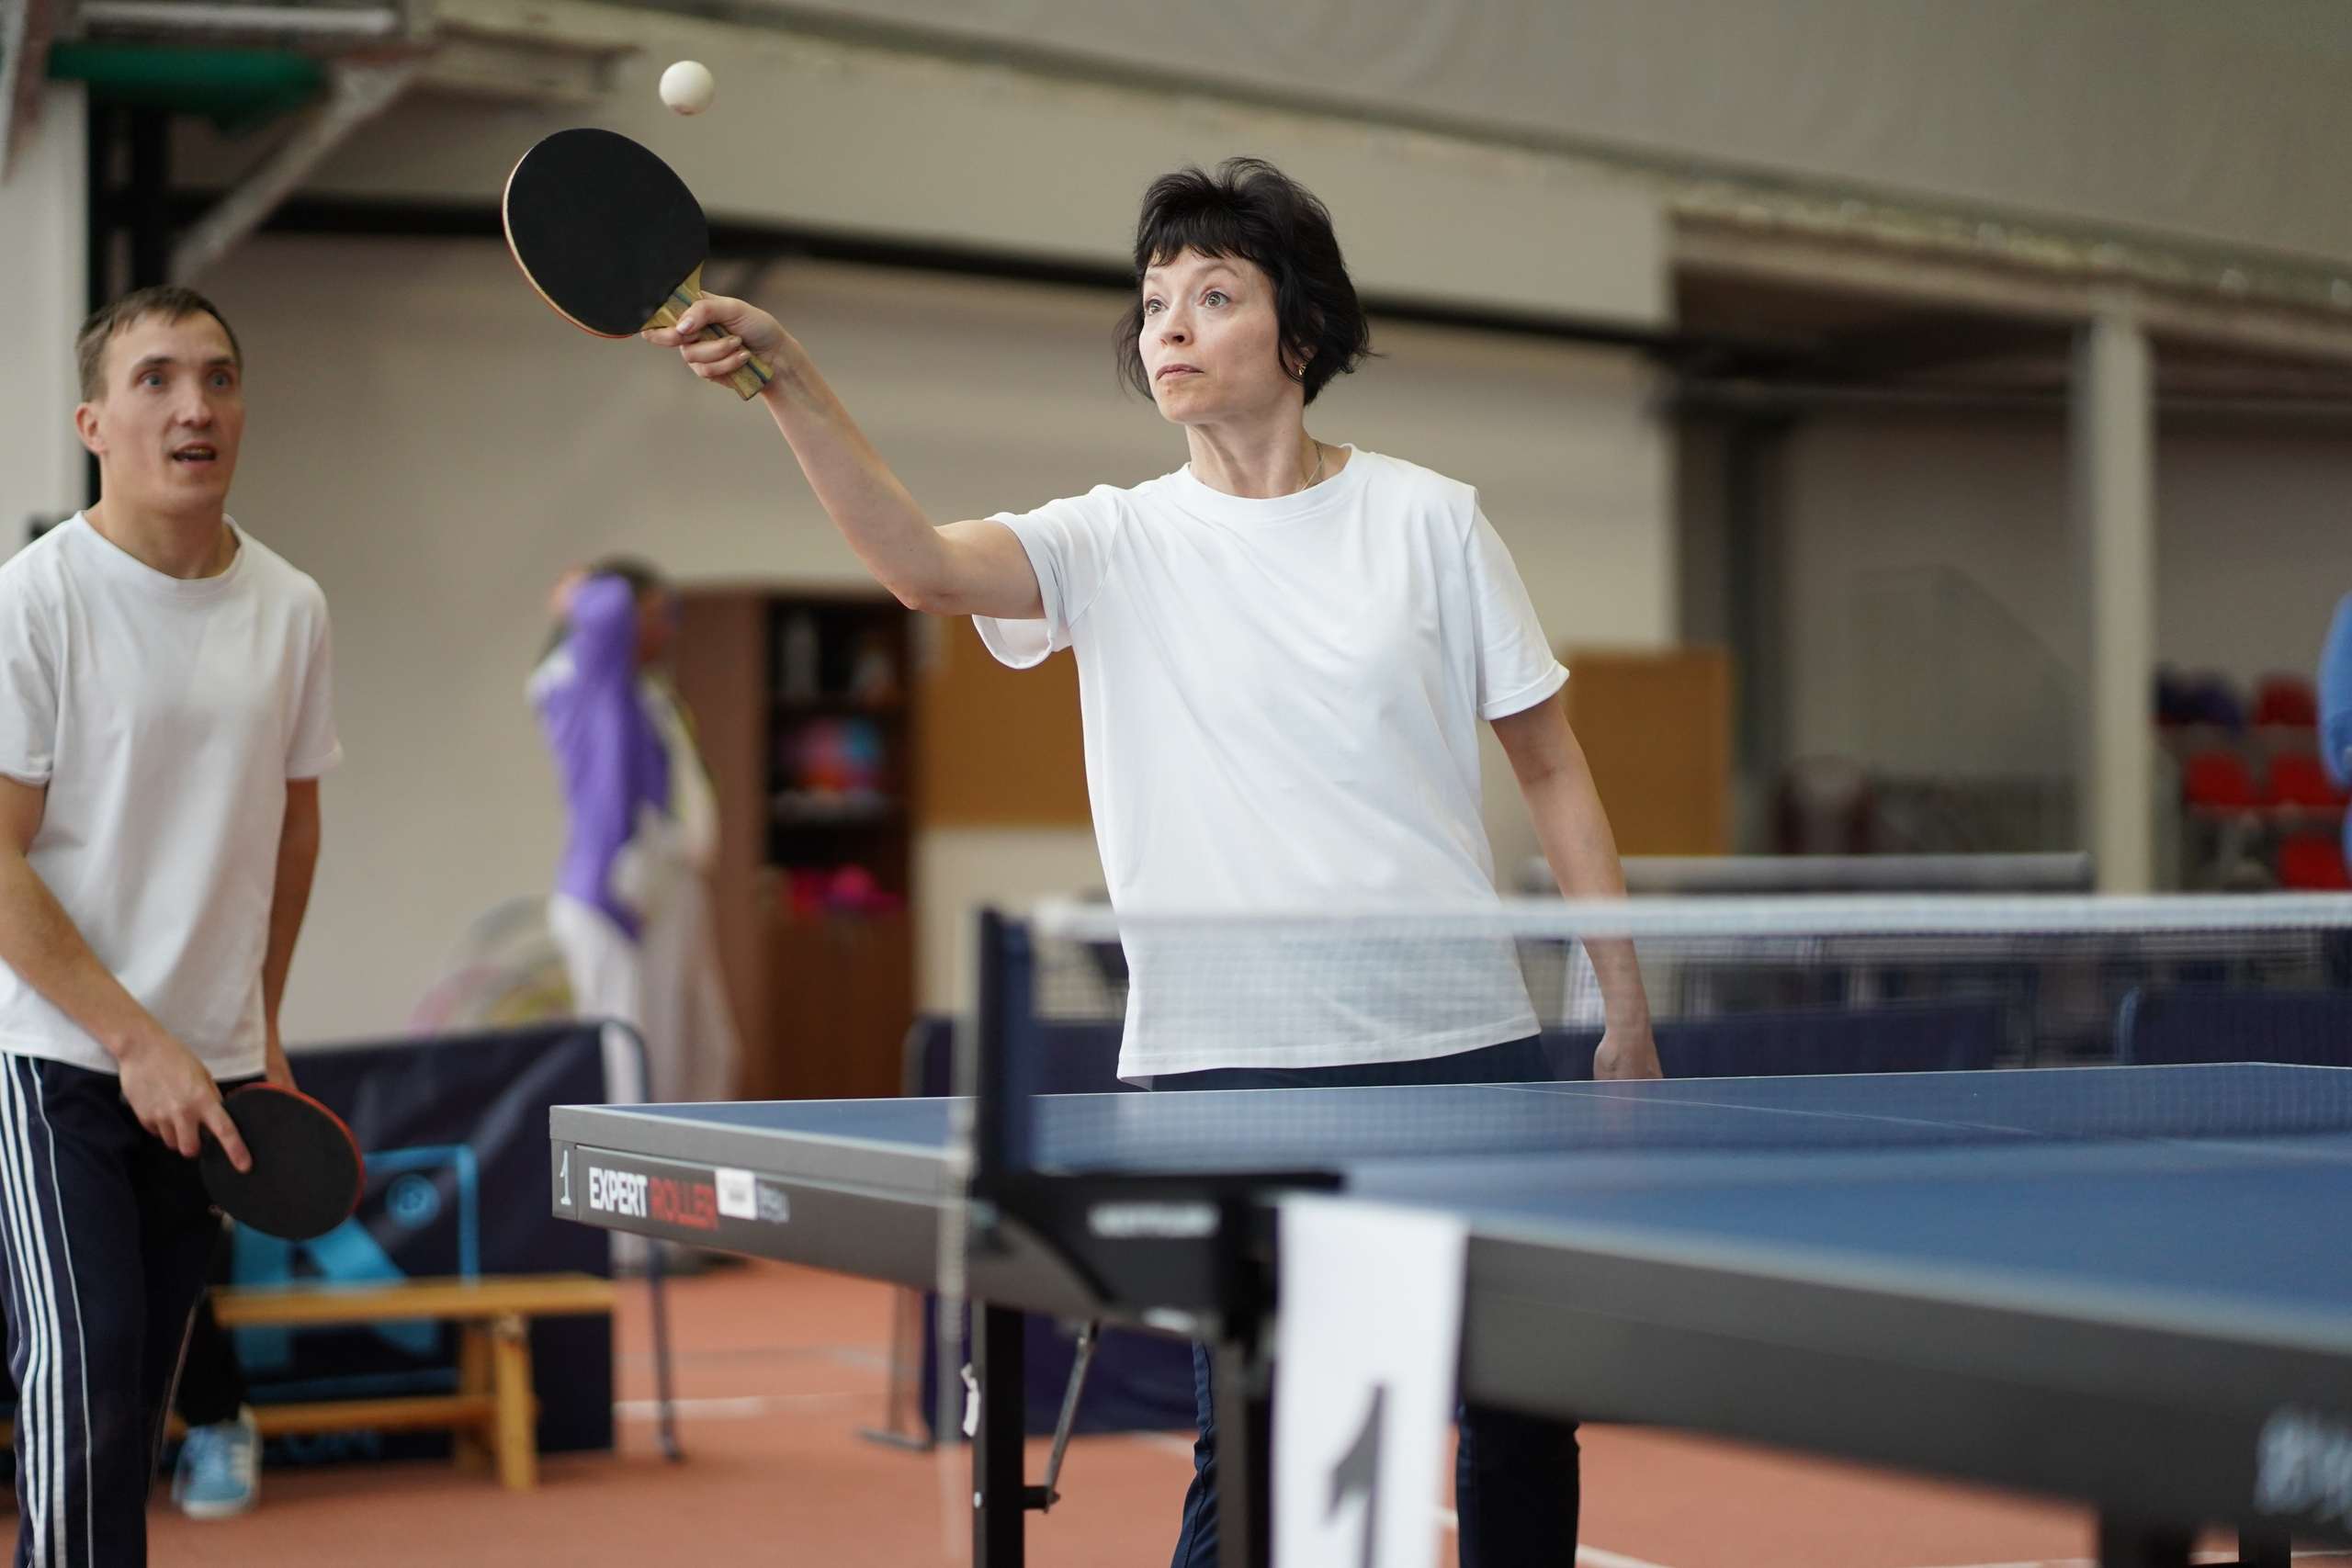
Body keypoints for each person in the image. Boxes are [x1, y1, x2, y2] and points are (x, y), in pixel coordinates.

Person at [642, 156, 1658, 1566]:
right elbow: (919, 563)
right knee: (1256, 1456)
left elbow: (1550, 764)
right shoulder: (1111, 539)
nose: (1168, 322)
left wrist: (1623, 1006)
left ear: (1300, 332)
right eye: (1154, 297)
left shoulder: (1432, 519)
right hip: (1226, 1070)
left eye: (1214, 294)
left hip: (1459, 1048)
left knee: (1521, 1415)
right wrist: (790, 382)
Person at [0, 285, 340, 1565]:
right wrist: (134, 1040)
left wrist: (263, 1026)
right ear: (93, 422)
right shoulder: (35, 601)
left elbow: (292, 831)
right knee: (83, 1386)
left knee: (138, 1402)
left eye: (217, 378)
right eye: (155, 379)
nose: (194, 406)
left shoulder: (292, 607)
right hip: (56, 1063)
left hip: (210, 1072)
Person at [529, 558, 741, 1113]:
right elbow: (604, 613)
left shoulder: (641, 691)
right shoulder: (582, 675)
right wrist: (579, 593)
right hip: (618, 891)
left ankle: (696, 1159)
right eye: (654, 615)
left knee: (705, 1053)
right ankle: (638, 1168)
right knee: (641, 1061)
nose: (667, 630)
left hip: (665, 882)